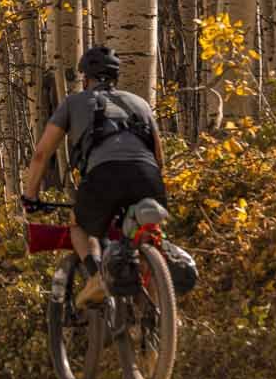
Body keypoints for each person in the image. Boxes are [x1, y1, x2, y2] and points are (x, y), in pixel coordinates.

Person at [19, 45, 168, 309]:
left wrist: (30, 197)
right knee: (145, 239)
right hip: (148, 176)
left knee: (80, 225)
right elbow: (159, 156)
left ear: (86, 78)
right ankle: (159, 315)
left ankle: (97, 275)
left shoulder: (74, 102)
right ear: (115, 77)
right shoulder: (140, 104)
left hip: (104, 176)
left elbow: (41, 154)